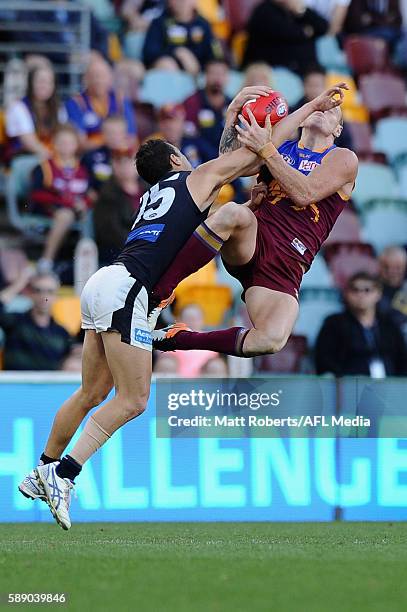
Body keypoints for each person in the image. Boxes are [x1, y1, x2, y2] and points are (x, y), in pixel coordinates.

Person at [19, 85, 283, 530]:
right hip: (130, 292)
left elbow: (228, 163)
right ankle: (62, 474)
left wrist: (228, 126)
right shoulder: (193, 180)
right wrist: (280, 117)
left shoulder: (152, 196)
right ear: (178, 161)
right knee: (135, 398)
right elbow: (253, 159)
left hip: (104, 281)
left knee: (91, 394)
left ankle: (42, 467)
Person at [150, 83, 357, 361]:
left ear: (338, 130)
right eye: (318, 105)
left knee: (270, 340)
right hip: (254, 238)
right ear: (304, 116)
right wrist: (230, 120)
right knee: (234, 212)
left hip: (287, 264)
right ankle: (160, 292)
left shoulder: (343, 158)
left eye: (332, 111)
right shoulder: (279, 146)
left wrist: (267, 150)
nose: (323, 110)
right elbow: (227, 167)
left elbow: (304, 193)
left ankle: (180, 339)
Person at [315, 272, 407, 376]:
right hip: (350, 387)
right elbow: (325, 361)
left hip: (388, 388)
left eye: (367, 290)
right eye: (355, 290)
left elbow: (402, 360)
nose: (361, 295)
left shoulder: (390, 325)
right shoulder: (333, 324)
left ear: (378, 294)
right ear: (346, 294)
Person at [29, 124, 91, 272]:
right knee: (65, 215)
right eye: (61, 142)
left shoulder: (82, 169)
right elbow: (36, 194)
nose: (66, 146)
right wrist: (64, 201)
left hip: (77, 211)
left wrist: (84, 203)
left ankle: (88, 266)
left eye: (70, 143)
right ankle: (46, 260)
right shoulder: (45, 166)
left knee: (91, 215)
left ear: (76, 145)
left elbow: (90, 195)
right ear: (54, 144)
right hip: (48, 211)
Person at [0, 270, 72, 371]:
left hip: (50, 386)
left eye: (50, 291)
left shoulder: (62, 333)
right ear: (30, 293)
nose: (44, 296)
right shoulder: (15, 321)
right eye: (38, 290)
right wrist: (18, 284)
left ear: (56, 297)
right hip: (16, 385)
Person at [65, 54, 137, 150]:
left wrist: (103, 141)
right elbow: (80, 142)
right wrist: (110, 141)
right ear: (85, 79)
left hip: (119, 155)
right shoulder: (76, 103)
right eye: (94, 76)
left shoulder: (121, 99)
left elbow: (131, 137)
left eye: (103, 76)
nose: (98, 80)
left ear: (111, 78)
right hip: (90, 156)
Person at [243, 0, 328, 75]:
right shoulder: (264, 10)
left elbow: (323, 27)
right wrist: (305, 31)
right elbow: (288, 32)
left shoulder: (297, 11)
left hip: (304, 70)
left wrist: (303, 11)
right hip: (273, 70)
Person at [142, 0, 223, 74]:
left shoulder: (204, 25)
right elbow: (149, 53)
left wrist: (199, 68)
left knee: (217, 69)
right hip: (169, 74)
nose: (182, 1)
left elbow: (215, 55)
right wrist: (177, 51)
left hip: (199, 75)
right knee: (166, 64)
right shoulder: (159, 23)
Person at [93, 146, 143, 265]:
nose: (127, 167)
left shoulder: (150, 188)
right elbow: (111, 231)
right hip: (120, 251)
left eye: (130, 161)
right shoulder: (107, 194)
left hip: (147, 248)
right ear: (114, 166)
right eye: (121, 163)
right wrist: (138, 245)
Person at [5, 64, 63, 160]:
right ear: (30, 83)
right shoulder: (18, 107)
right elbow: (29, 142)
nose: (44, 85)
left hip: (53, 156)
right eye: (40, 81)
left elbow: (63, 135)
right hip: (25, 158)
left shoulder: (58, 108)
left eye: (49, 82)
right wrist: (54, 159)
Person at [292, 65, 353, 150]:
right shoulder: (294, 111)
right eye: (311, 85)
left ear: (325, 86)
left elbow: (347, 144)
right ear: (304, 86)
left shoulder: (335, 111)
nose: (315, 90)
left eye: (318, 85)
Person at [183, 59, 231, 156]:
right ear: (205, 76)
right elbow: (189, 134)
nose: (218, 78)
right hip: (201, 157)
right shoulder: (193, 102)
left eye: (222, 74)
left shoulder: (233, 103)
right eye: (213, 73)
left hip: (227, 156)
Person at [81, 115, 130, 194]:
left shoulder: (136, 158)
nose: (114, 137)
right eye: (110, 133)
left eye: (118, 133)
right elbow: (85, 185)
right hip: (100, 202)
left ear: (125, 134)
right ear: (102, 134)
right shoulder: (90, 157)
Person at [378, 246, 407, 340]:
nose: (391, 272)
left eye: (397, 268)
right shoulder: (368, 289)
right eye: (386, 267)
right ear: (379, 266)